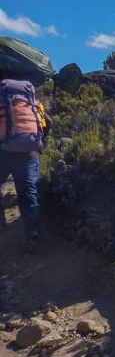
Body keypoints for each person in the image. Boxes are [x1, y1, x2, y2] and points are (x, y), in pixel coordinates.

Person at [0, 75, 52, 252]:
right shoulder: (30, 101)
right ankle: (32, 237)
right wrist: (40, 141)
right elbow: (48, 122)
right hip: (28, 152)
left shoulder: (3, 100)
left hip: (3, 152)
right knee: (28, 193)